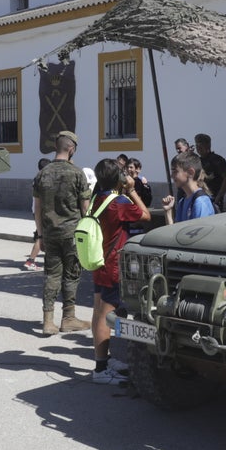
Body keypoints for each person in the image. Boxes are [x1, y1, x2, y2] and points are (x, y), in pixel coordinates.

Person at [88, 158, 150, 384]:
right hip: (113, 264)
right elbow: (146, 216)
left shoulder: (98, 198)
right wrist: (133, 191)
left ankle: (105, 357)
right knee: (106, 317)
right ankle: (101, 369)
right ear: (117, 178)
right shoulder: (118, 202)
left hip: (99, 261)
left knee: (97, 312)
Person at [32, 130, 92, 335]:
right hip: (72, 234)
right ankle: (69, 317)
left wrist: (40, 235)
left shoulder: (42, 173)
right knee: (71, 275)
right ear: (72, 149)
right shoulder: (77, 173)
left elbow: (37, 209)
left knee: (51, 275)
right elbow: (86, 209)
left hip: (50, 233)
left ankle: (48, 321)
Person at [161, 152, 216, 225]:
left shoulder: (200, 202)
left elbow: (199, 234)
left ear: (190, 172)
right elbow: (175, 232)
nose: (171, 176)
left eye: (175, 171)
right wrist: (168, 211)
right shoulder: (182, 201)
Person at [24, 158, 51, 271]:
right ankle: (30, 261)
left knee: (43, 237)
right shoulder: (42, 180)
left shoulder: (37, 178)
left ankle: (43, 260)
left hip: (37, 211)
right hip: (41, 211)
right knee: (41, 237)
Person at [194, 133, 226, 211]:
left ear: (208, 145)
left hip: (214, 200)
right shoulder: (197, 161)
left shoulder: (217, 160)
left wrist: (219, 196)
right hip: (200, 199)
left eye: (201, 145)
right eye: (197, 145)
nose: (198, 147)